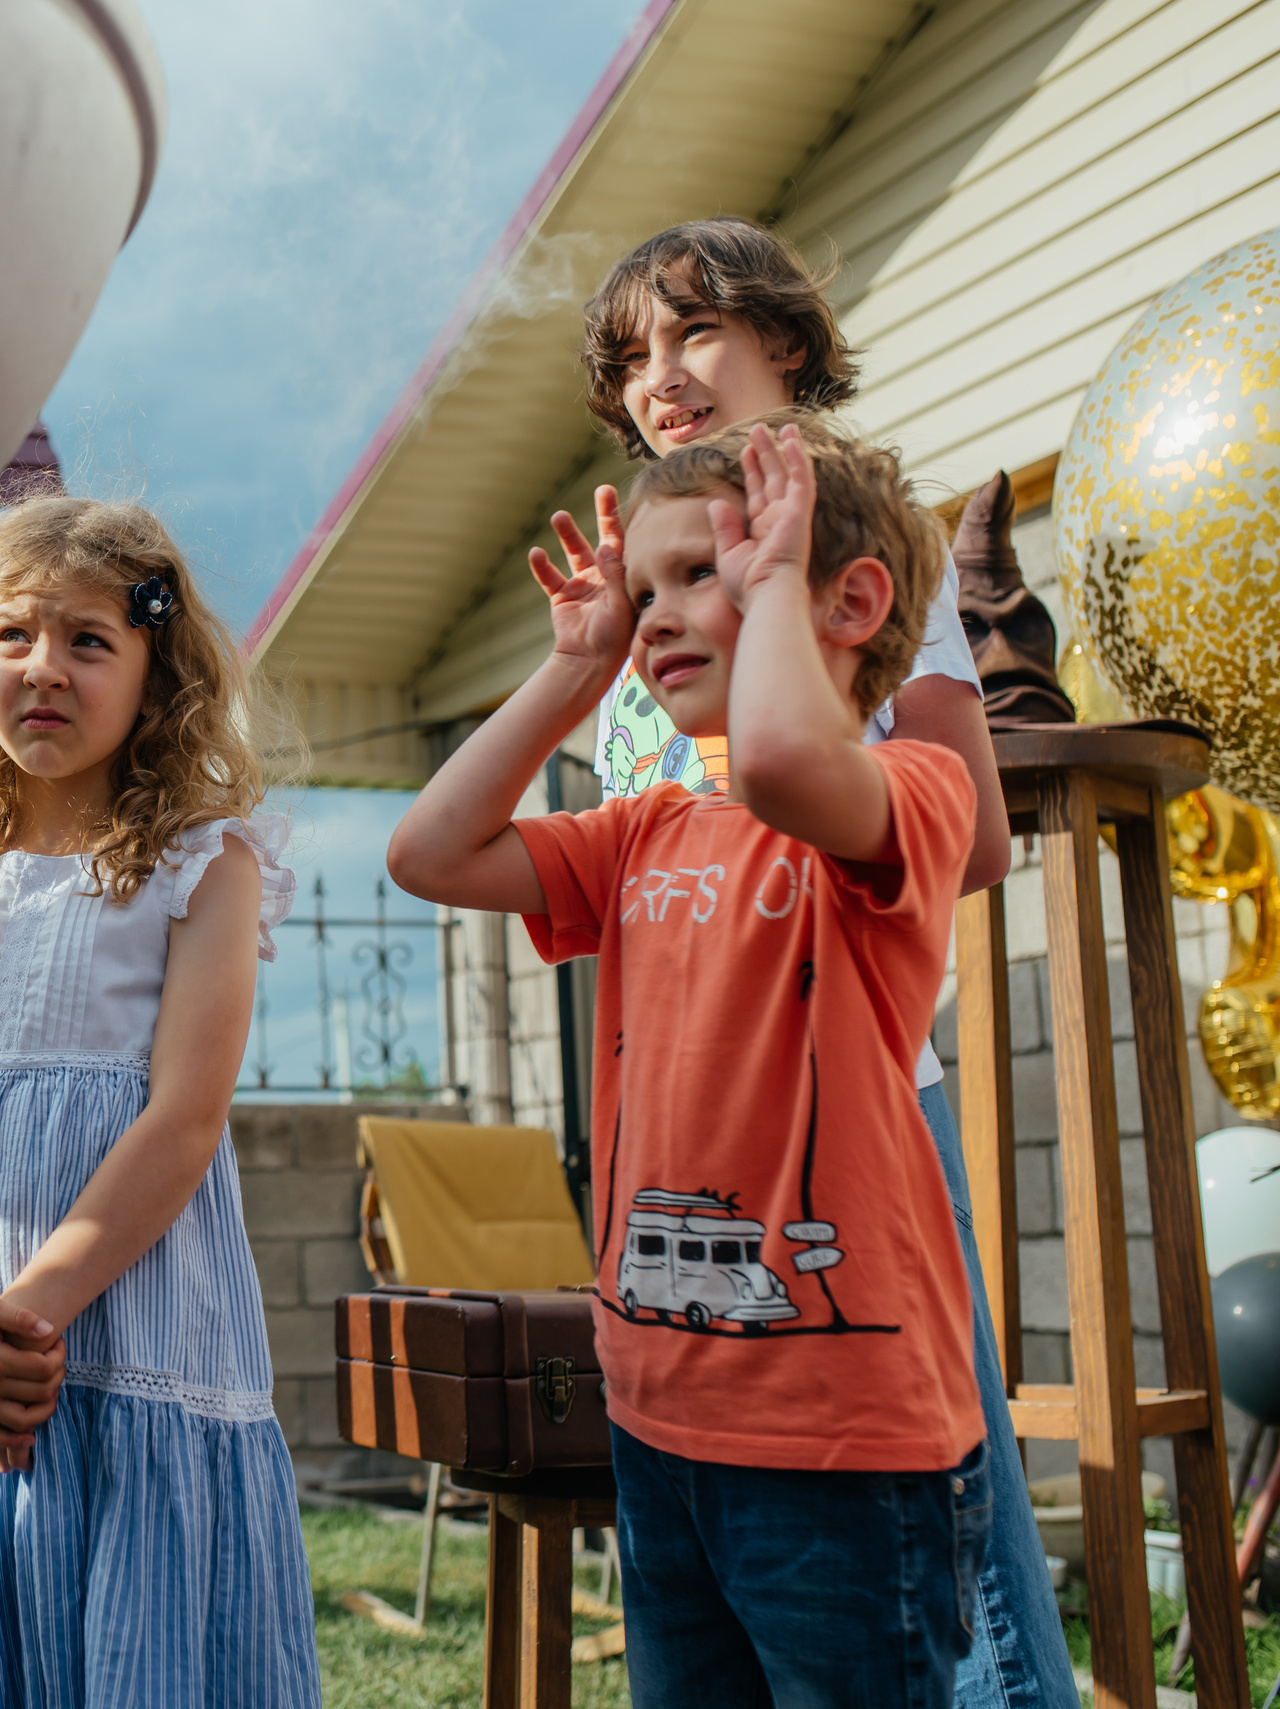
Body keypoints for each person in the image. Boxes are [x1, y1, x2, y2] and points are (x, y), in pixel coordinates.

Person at [388, 416, 988, 1705]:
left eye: (701, 571)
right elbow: (427, 851)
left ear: (851, 601)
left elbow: (781, 759)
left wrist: (771, 586)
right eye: (641, 586)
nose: (653, 612)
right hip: (658, 1418)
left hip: (840, 1440)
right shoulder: (640, 831)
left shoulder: (914, 790)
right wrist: (572, 670)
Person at [565, 218, 1075, 1709]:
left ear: (788, 344)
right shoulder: (658, 590)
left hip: (852, 1101)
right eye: (630, 357)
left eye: (694, 333)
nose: (660, 374)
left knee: (948, 1520)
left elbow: (967, 834)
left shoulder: (850, 548)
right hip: (687, 1124)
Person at [0, 497, 320, 1707]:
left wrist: (24, 1325)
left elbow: (182, 1118)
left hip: (125, 1321)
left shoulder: (206, 862)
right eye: (12, 635)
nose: (43, 667)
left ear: (155, 674)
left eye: (90, 639)